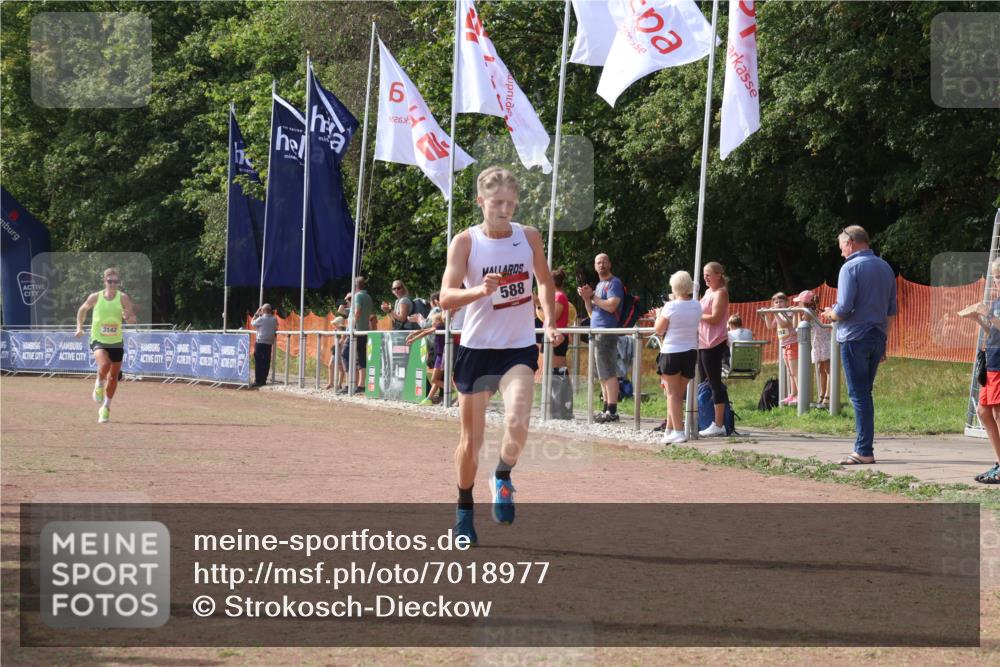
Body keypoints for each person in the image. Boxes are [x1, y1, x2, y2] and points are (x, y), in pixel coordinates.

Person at [440, 166, 561, 546]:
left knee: (518, 422)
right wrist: (478, 291)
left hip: (517, 347)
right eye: (496, 203)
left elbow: (544, 281)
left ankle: (503, 475)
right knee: (471, 443)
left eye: (510, 203)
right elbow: (445, 297)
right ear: (481, 201)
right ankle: (464, 511)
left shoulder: (529, 237)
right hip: (477, 350)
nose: (504, 210)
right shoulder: (465, 242)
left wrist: (549, 320)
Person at [821, 225, 897, 465]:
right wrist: (884, 341)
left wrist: (830, 314)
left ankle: (863, 450)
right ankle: (864, 447)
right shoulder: (885, 267)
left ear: (850, 243)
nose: (841, 252)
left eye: (841, 246)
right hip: (878, 336)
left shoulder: (850, 267)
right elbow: (891, 310)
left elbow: (843, 308)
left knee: (859, 394)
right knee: (865, 393)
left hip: (854, 337)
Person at [75, 267, 137, 423]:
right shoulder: (96, 297)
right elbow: (82, 310)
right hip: (98, 340)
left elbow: (132, 319)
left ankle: (105, 408)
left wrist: (128, 317)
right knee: (105, 364)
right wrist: (79, 327)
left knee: (114, 377)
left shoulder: (123, 298)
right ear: (104, 281)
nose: (113, 284)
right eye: (110, 281)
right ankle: (99, 382)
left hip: (116, 341)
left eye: (116, 281)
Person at [960, 257, 1000, 484]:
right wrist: (978, 319)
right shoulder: (996, 302)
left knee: (998, 413)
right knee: (984, 412)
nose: (997, 281)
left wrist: (988, 314)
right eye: (996, 277)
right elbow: (993, 331)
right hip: (992, 362)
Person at [655, 271, 702, 445]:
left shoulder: (670, 306)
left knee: (672, 394)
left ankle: (679, 431)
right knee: (676, 394)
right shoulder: (697, 305)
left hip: (672, 351)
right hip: (690, 351)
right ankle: (670, 429)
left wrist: (659, 314)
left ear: (674, 287)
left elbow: (659, 329)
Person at [578, 253, 623, 423]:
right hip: (596, 331)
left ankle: (612, 410)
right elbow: (592, 312)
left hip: (606, 332)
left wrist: (593, 297)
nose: (601, 265)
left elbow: (611, 306)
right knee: (602, 373)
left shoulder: (614, 283)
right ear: (595, 266)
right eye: (598, 262)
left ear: (609, 264)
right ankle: (606, 408)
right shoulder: (598, 285)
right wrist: (586, 298)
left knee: (608, 371)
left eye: (604, 262)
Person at [697, 261, 731, 437]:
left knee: (715, 382)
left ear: (719, 275)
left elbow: (715, 318)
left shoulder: (721, 293)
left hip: (714, 342)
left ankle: (719, 424)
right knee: (705, 383)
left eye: (708, 274)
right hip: (703, 342)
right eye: (704, 274)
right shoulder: (708, 292)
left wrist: (696, 314)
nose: (705, 278)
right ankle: (707, 418)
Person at [793, 289, 832, 408]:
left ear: (804, 303)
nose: (797, 304)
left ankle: (827, 396)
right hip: (818, 343)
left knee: (827, 370)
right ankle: (822, 395)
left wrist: (797, 314)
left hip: (823, 342)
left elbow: (799, 328)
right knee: (820, 369)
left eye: (799, 302)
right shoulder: (808, 311)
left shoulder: (808, 312)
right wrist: (797, 313)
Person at [340, 276, 375, 393]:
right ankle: (361, 385)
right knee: (361, 358)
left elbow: (358, 311)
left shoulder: (358, 296)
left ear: (354, 286)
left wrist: (352, 326)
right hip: (363, 331)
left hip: (355, 331)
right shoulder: (368, 296)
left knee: (345, 354)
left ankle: (349, 384)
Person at [763, 292, 798, 405]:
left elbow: (783, 324)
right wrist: (766, 315)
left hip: (793, 344)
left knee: (795, 372)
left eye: (781, 301)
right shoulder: (778, 314)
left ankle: (799, 395)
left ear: (787, 302)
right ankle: (793, 394)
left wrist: (776, 313)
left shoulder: (789, 312)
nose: (778, 304)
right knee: (790, 372)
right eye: (776, 302)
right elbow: (770, 326)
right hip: (784, 346)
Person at [406, 310, 447, 405]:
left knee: (434, 380)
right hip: (440, 355)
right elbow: (425, 330)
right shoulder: (438, 327)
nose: (431, 323)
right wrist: (413, 334)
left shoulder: (440, 327)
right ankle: (429, 399)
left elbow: (425, 332)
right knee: (437, 379)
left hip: (442, 356)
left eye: (433, 321)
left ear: (438, 322)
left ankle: (452, 390)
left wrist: (413, 339)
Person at [250, 303, 277, 387]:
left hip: (260, 342)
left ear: (264, 310)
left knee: (258, 361)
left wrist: (256, 314)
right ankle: (263, 379)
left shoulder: (261, 318)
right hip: (269, 343)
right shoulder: (274, 319)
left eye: (261, 309)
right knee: (266, 361)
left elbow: (252, 323)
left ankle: (258, 380)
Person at [324, 316, 347, 391]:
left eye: (335, 324)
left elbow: (343, 339)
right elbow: (330, 334)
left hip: (340, 350)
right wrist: (324, 334)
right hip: (337, 349)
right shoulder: (337, 330)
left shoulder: (344, 330)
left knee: (340, 367)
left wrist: (336, 345)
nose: (334, 325)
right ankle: (331, 383)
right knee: (332, 365)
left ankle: (339, 384)